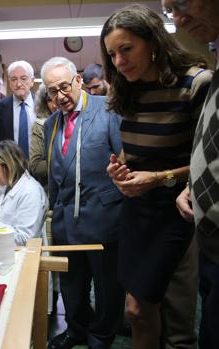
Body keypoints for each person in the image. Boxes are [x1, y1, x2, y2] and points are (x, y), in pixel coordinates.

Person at [101, 4, 212, 349]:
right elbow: (134, 151)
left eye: (127, 49)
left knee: (172, 319)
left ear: (154, 41)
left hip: (179, 212)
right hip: (137, 209)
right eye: (112, 55)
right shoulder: (127, 89)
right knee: (136, 311)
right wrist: (119, 168)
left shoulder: (197, 83)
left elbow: (206, 162)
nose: (119, 62)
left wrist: (160, 177)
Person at [42, 56, 125, 349]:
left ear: (78, 81)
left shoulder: (108, 111)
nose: (60, 96)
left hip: (103, 218)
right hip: (66, 221)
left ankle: (101, 335)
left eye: (64, 87)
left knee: (107, 288)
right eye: (52, 91)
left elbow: (125, 165)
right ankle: (76, 330)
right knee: (71, 286)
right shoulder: (51, 124)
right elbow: (55, 173)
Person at [163, 0, 219, 347]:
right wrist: (191, 183)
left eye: (182, 3)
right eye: (171, 10)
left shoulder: (197, 81)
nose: (179, 19)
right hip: (210, 239)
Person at [0, 60, 36, 157]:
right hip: (8, 167)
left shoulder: (44, 106)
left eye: (23, 78)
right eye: (14, 79)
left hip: (38, 168)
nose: (18, 84)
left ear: (32, 81)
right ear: (9, 82)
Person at [29, 83, 58, 189]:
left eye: (56, 97)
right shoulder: (40, 125)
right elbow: (36, 166)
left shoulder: (79, 121)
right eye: (49, 100)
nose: (54, 104)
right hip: (51, 189)